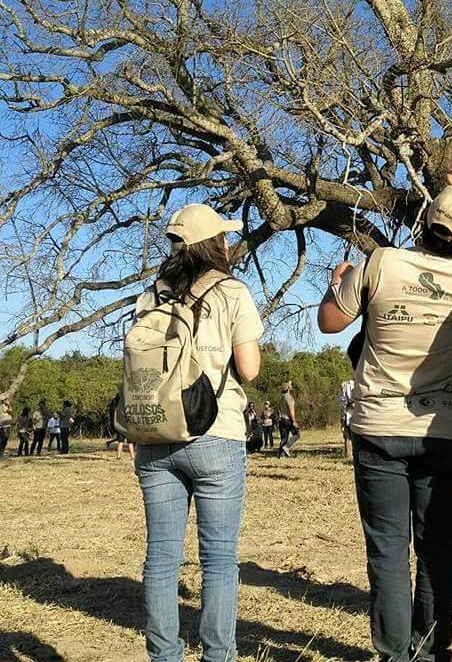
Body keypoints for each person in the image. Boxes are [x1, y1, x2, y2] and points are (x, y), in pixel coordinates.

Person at [318, 160, 452, 662]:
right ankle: (434, 649)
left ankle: (393, 654)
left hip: (379, 426)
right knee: (437, 549)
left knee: (388, 550)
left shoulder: (383, 263)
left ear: (424, 222)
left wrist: (337, 282)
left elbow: (331, 322)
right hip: (444, 428)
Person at [133, 202, 264, 662]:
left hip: (156, 433)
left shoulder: (151, 295)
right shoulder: (232, 292)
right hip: (216, 432)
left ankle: (164, 655)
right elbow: (250, 368)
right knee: (219, 560)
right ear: (216, 243)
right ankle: (217, 655)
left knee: (161, 558)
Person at [276, 381, 300, 458]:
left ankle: (281, 455)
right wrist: (294, 421)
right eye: (290, 386)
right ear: (289, 388)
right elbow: (291, 411)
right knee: (297, 435)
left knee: (284, 438)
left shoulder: (281, 397)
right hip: (287, 419)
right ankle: (286, 447)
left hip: (281, 419)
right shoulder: (289, 398)